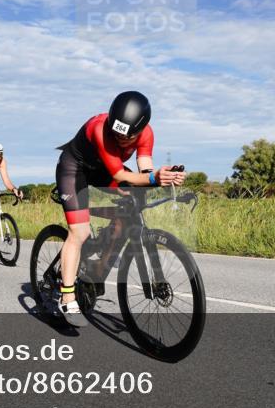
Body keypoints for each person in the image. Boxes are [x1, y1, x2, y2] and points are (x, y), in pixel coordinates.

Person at [53, 91, 184, 325]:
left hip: (102, 169)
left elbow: (144, 165)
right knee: (79, 233)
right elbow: (120, 174)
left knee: (133, 203)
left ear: (142, 129)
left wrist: (161, 177)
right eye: (117, 135)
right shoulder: (99, 128)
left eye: (128, 138)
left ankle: (98, 264)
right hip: (74, 170)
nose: (122, 141)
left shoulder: (147, 134)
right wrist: (154, 178)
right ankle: (67, 296)